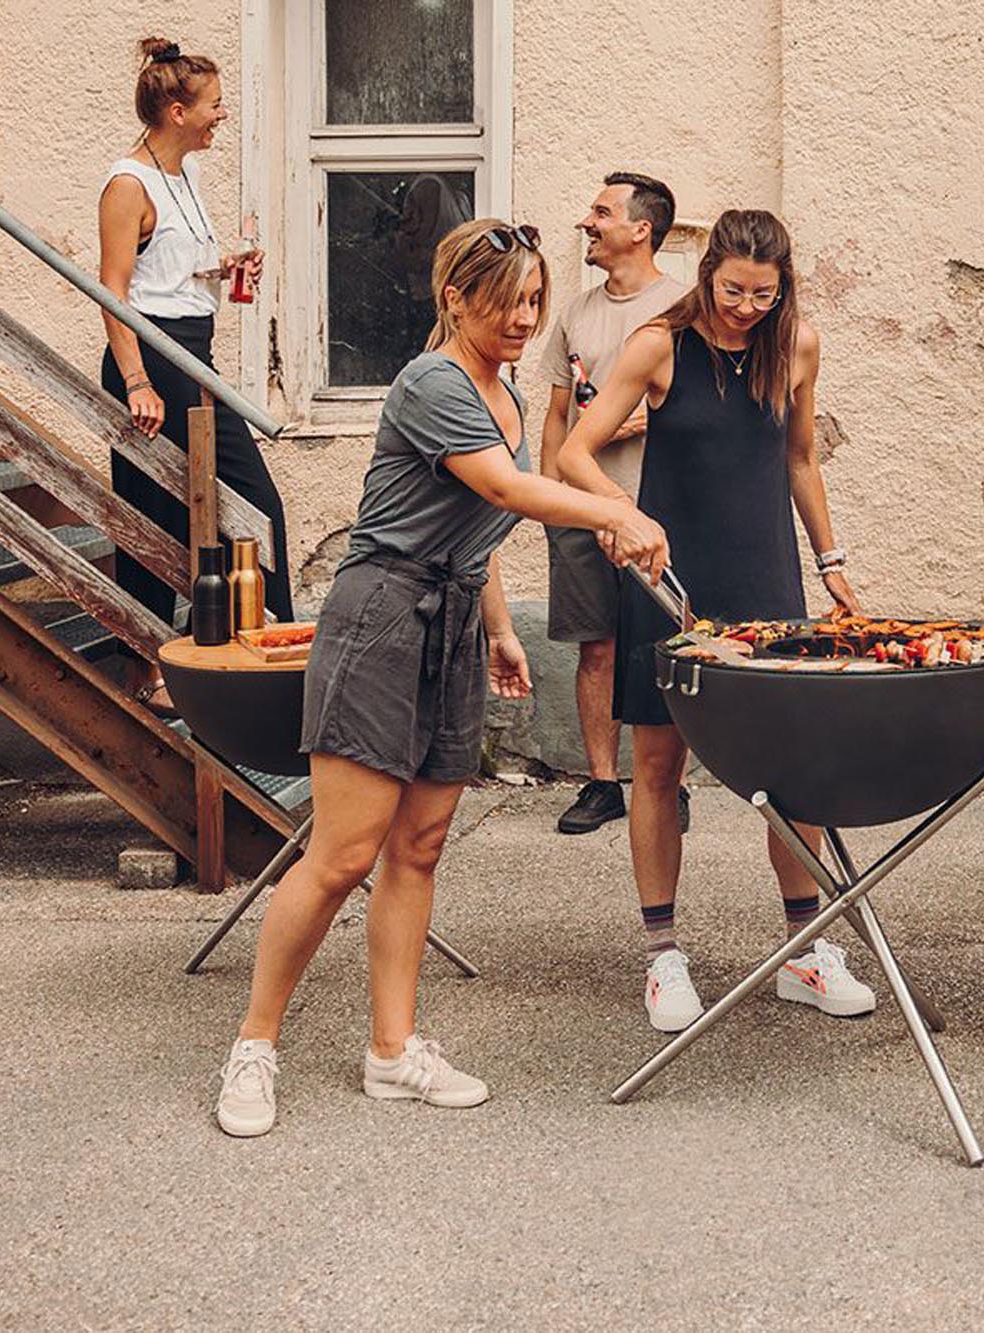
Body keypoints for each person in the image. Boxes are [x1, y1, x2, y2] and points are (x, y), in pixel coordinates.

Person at [211, 219, 668, 1138]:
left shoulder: (499, 396)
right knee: (342, 854)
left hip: (452, 617)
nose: (523, 320)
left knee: (418, 848)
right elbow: (505, 492)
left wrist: (499, 627)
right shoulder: (432, 383)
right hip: (381, 617)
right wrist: (620, 511)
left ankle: (392, 1050)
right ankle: (254, 1047)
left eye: (534, 302)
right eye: (504, 303)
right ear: (453, 297)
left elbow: (479, 520)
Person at [557, 208, 877, 1033]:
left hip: (768, 578)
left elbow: (800, 457)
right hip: (671, 582)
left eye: (763, 295)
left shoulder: (796, 343)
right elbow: (573, 453)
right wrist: (621, 515)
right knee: (659, 767)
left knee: (793, 767)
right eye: (733, 289)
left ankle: (806, 950)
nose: (745, 307)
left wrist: (831, 562)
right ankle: (664, 957)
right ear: (709, 275)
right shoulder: (660, 344)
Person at [98, 36, 290, 709]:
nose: (223, 115)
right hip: (153, 356)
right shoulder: (130, 182)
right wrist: (137, 381)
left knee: (238, 506)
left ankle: (258, 650)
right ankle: (143, 671)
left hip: (190, 349)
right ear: (177, 112)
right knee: (162, 505)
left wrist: (224, 267)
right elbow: (114, 290)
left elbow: (167, 271)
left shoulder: (183, 175)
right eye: (214, 105)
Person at [538, 173, 691, 836]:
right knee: (594, 645)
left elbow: (703, 413)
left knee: (667, 646)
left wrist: (634, 421)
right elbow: (555, 412)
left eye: (600, 212)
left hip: (659, 506)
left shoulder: (686, 308)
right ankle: (602, 783)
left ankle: (670, 784)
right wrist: (550, 494)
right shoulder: (575, 311)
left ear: (640, 229)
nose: (586, 222)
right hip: (580, 505)